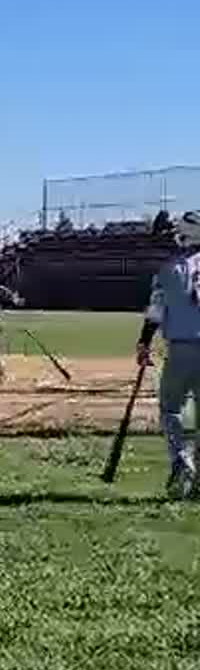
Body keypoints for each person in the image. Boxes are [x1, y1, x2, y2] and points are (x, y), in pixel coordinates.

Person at [136, 210, 200, 499]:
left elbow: (155, 312)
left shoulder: (168, 269)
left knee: (170, 409)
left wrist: (144, 343)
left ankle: (181, 460)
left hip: (182, 348)